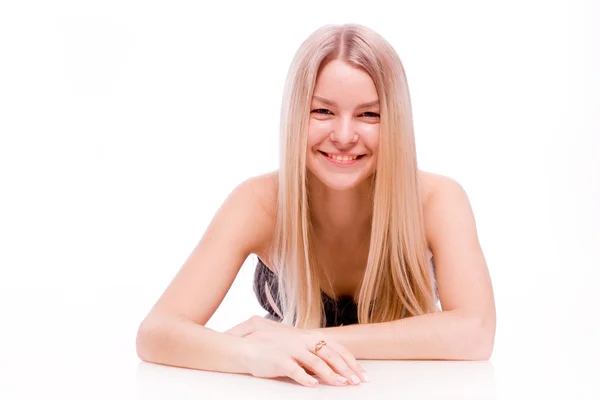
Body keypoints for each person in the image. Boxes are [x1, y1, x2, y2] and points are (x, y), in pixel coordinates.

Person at [135, 23, 496, 388]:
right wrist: (250, 354)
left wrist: (309, 342)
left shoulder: (438, 200)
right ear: (296, 116)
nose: (342, 136)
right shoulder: (258, 203)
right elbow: (156, 331)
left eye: (369, 115)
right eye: (323, 111)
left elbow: (476, 332)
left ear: (396, 121)